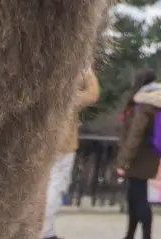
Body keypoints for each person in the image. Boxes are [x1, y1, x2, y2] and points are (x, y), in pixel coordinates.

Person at [114, 69, 161, 239]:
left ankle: (145, 236)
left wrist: (123, 161)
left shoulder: (144, 106)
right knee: (133, 198)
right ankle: (130, 234)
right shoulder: (158, 104)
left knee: (139, 200)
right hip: (149, 157)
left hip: (138, 159)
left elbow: (135, 136)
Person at [41, 68, 101, 239]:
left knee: (39, 188)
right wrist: (86, 69)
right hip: (62, 142)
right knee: (55, 186)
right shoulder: (65, 94)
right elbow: (93, 93)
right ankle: (45, 231)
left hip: (37, 142)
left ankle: (39, 230)